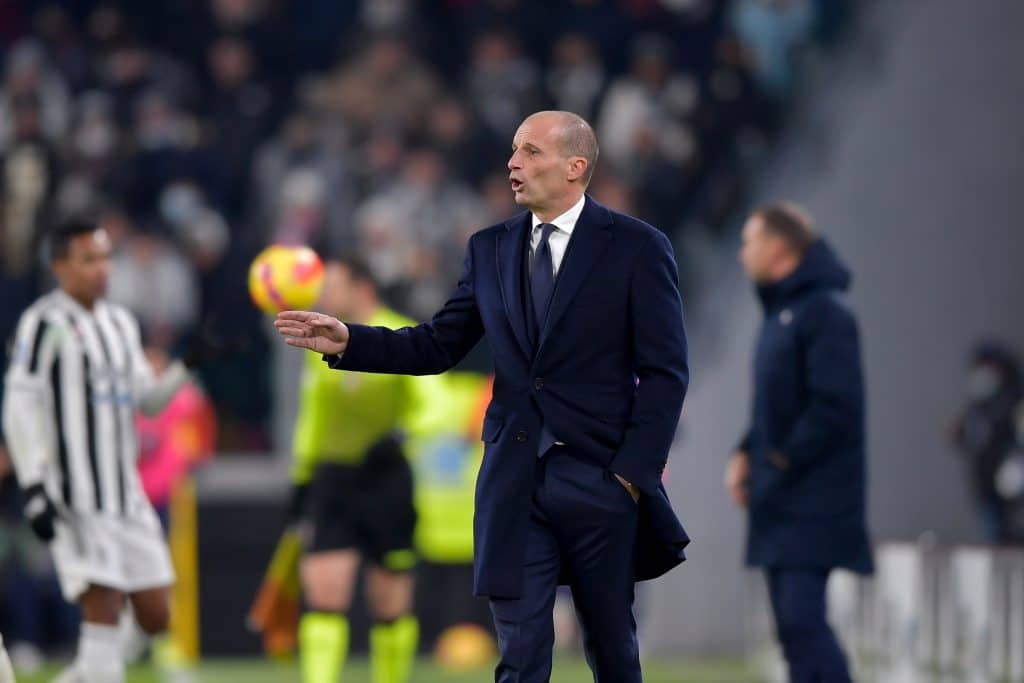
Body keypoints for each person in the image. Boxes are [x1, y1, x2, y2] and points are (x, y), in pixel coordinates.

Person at [275, 110, 690, 683]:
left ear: (576, 167)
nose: (512, 163)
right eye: (513, 150)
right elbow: (437, 344)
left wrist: (631, 475)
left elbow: (665, 372)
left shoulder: (638, 247)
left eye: (530, 152)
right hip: (513, 477)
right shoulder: (489, 247)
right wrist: (352, 340)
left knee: (612, 646)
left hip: (600, 477)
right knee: (519, 652)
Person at [1, 219, 212, 683]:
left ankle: (83, 674)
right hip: (75, 495)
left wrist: (187, 365)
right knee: (105, 609)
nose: (102, 269)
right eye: (89, 259)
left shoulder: (119, 322)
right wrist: (33, 484)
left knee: (155, 614)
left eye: (105, 258)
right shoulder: (43, 325)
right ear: (60, 267)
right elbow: (19, 407)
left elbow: (147, 401)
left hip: (127, 496)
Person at [726, 203, 873, 682]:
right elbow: (776, 406)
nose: (741, 253)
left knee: (803, 623)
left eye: (749, 242)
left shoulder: (824, 314)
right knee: (792, 631)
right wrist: (746, 452)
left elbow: (834, 407)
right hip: (782, 497)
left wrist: (778, 459)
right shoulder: (781, 313)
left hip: (813, 499)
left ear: (779, 248)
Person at [287, 254, 438, 683]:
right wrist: (302, 477)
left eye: (332, 286)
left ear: (362, 288)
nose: (323, 295)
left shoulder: (401, 334)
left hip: (386, 481)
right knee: (323, 594)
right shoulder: (319, 339)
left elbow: (436, 404)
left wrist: (401, 436)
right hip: (333, 479)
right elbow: (312, 416)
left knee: (390, 605)